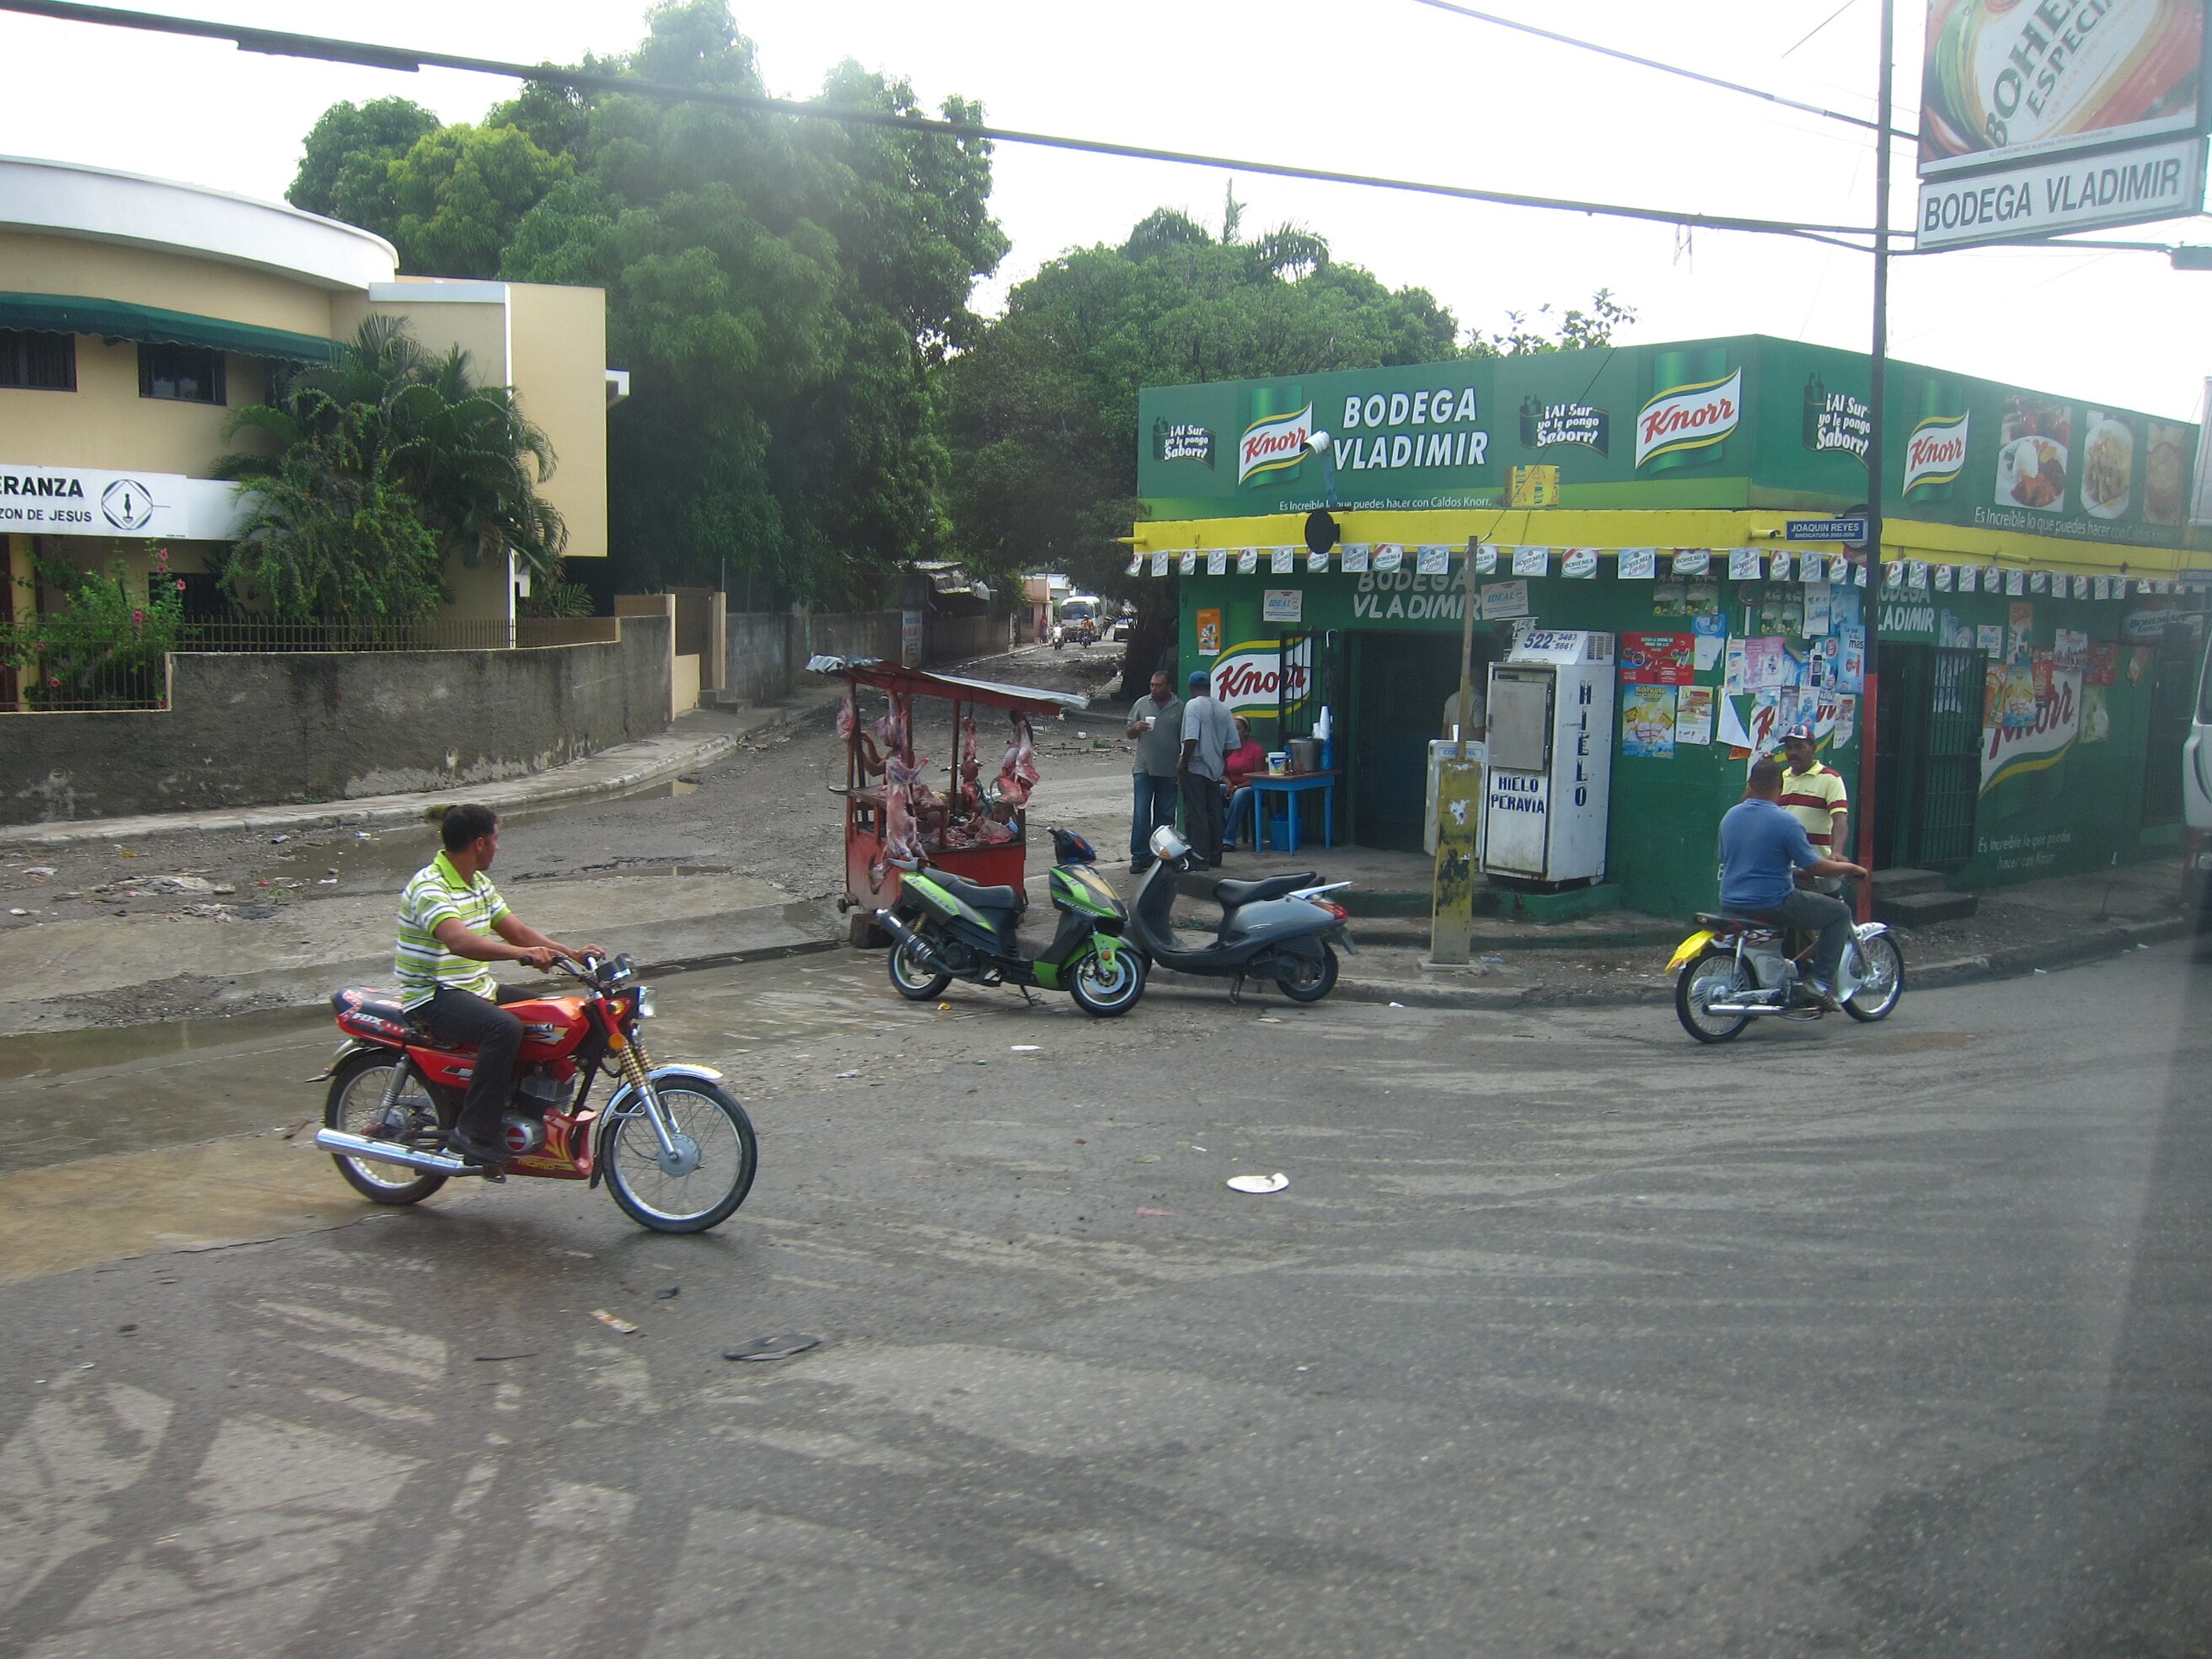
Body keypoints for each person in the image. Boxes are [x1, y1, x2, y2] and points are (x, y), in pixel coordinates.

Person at [396, 804, 603, 1169]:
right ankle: (473, 1132)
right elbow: (459, 941)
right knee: (503, 1028)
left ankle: (523, 1108)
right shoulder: (430, 886)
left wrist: (570, 953)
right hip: (432, 996)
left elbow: (517, 931)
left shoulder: (477, 883)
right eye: (495, 839)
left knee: (552, 1019)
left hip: (475, 988)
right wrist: (522, 955)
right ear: (479, 843)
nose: (498, 847)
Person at [1718, 757, 1869, 1006]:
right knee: (1839, 914)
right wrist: (1851, 868)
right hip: (1772, 903)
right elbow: (1815, 866)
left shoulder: (1730, 817)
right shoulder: (1786, 822)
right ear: (1780, 787)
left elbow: (1729, 857)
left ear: (1750, 784)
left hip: (1730, 901)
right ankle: (1820, 983)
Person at [1774, 723, 1851, 901]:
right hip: (1783, 869)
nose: (1793, 752)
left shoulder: (1830, 779)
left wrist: (1837, 853)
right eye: (1789, 748)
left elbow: (1840, 819)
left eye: (1799, 747)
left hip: (1815, 869)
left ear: (1813, 749)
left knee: (1831, 911)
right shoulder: (1780, 778)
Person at [1124, 669, 1183, 872]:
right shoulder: (1142, 704)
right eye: (1152, 685)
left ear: (1169, 687)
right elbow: (1129, 733)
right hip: (1144, 769)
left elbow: (1185, 738)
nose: (1154, 689)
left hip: (1169, 770)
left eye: (1158, 685)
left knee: (1165, 816)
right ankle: (1139, 857)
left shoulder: (1180, 707)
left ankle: (1160, 856)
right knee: (1141, 813)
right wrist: (1136, 727)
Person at [1178, 668, 1235, 866]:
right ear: (1210, 687)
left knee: (1196, 813)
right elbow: (1232, 745)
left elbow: (1191, 738)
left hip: (1195, 766)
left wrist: (1183, 762)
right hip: (1215, 768)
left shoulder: (1193, 705)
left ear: (1191, 688)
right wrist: (1218, 758)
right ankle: (1215, 856)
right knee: (1214, 812)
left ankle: (1199, 858)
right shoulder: (1223, 709)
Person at [1220, 714, 1270, 852]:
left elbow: (1258, 777)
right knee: (1214, 791)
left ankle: (1229, 839)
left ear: (1246, 731)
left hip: (1252, 788)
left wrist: (1237, 787)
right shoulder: (1228, 748)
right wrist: (1229, 784)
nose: (1234, 731)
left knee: (1240, 794)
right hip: (1233, 786)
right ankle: (1222, 833)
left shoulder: (1256, 749)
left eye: (1238, 728)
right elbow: (1223, 773)